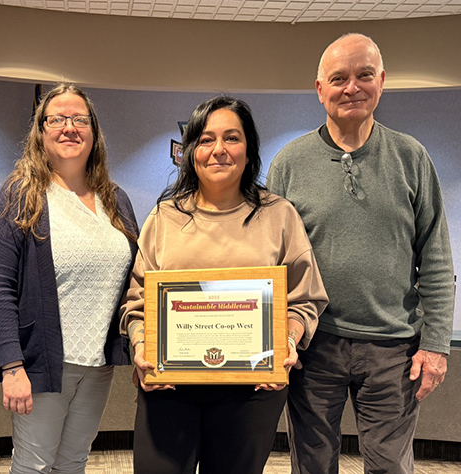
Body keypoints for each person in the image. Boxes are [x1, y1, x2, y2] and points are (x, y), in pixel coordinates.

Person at [267, 33, 455, 474]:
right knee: (312, 465)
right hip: (314, 345)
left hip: (394, 349)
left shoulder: (411, 157)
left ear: (382, 81)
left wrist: (436, 345)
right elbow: (269, 261)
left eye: (364, 75)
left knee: (390, 466)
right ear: (319, 89)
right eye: (339, 78)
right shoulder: (288, 164)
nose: (352, 87)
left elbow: (436, 258)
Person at [122, 96, 329, 474]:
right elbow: (137, 303)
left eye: (231, 138)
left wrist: (286, 341)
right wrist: (139, 345)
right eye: (205, 139)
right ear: (190, 152)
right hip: (168, 390)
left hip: (252, 394)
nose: (218, 150)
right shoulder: (165, 216)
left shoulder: (278, 215)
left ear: (248, 150)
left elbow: (304, 298)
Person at [0, 83, 138, 473]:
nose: (69, 127)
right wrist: (12, 366)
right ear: (40, 131)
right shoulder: (21, 195)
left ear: (94, 131)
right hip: (43, 363)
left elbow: (136, 280)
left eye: (79, 119)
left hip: (97, 363)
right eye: (57, 119)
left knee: (73, 461)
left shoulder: (116, 200)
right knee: (34, 464)